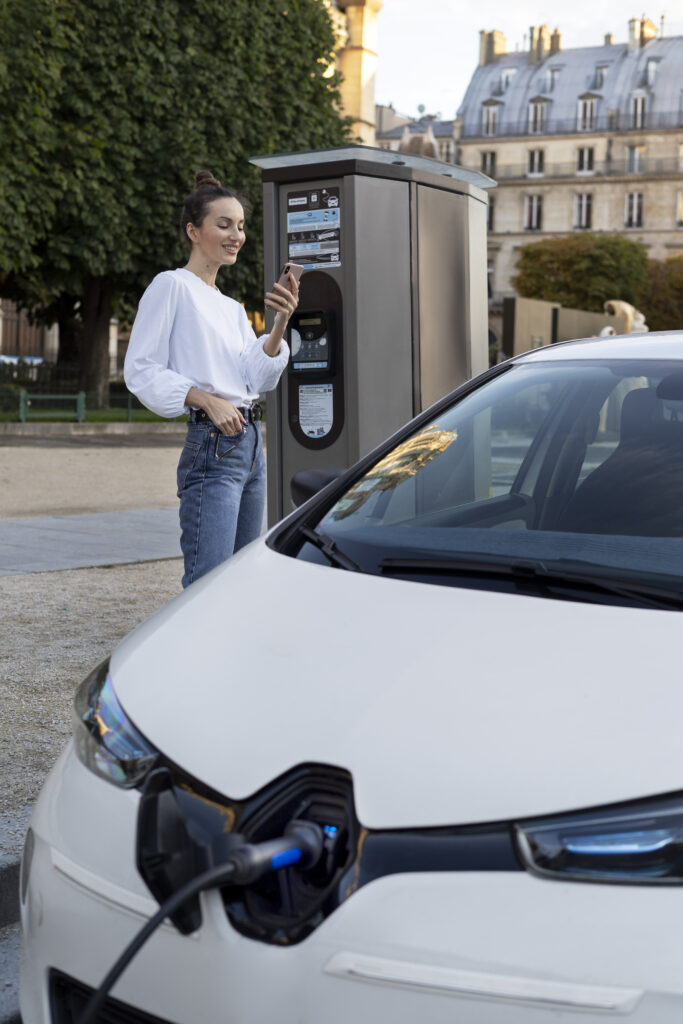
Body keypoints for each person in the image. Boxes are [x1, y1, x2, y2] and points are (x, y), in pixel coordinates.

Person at [124, 170, 298, 587]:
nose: (235, 235)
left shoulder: (231, 307)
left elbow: (255, 377)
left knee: (239, 580)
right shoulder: (171, 286)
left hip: (250, 443)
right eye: (223, 225)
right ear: (193, 230)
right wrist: (203, 398)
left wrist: (279, 323)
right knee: (208, 581)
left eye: (239, 226)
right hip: (213, 444)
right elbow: (141, 368)